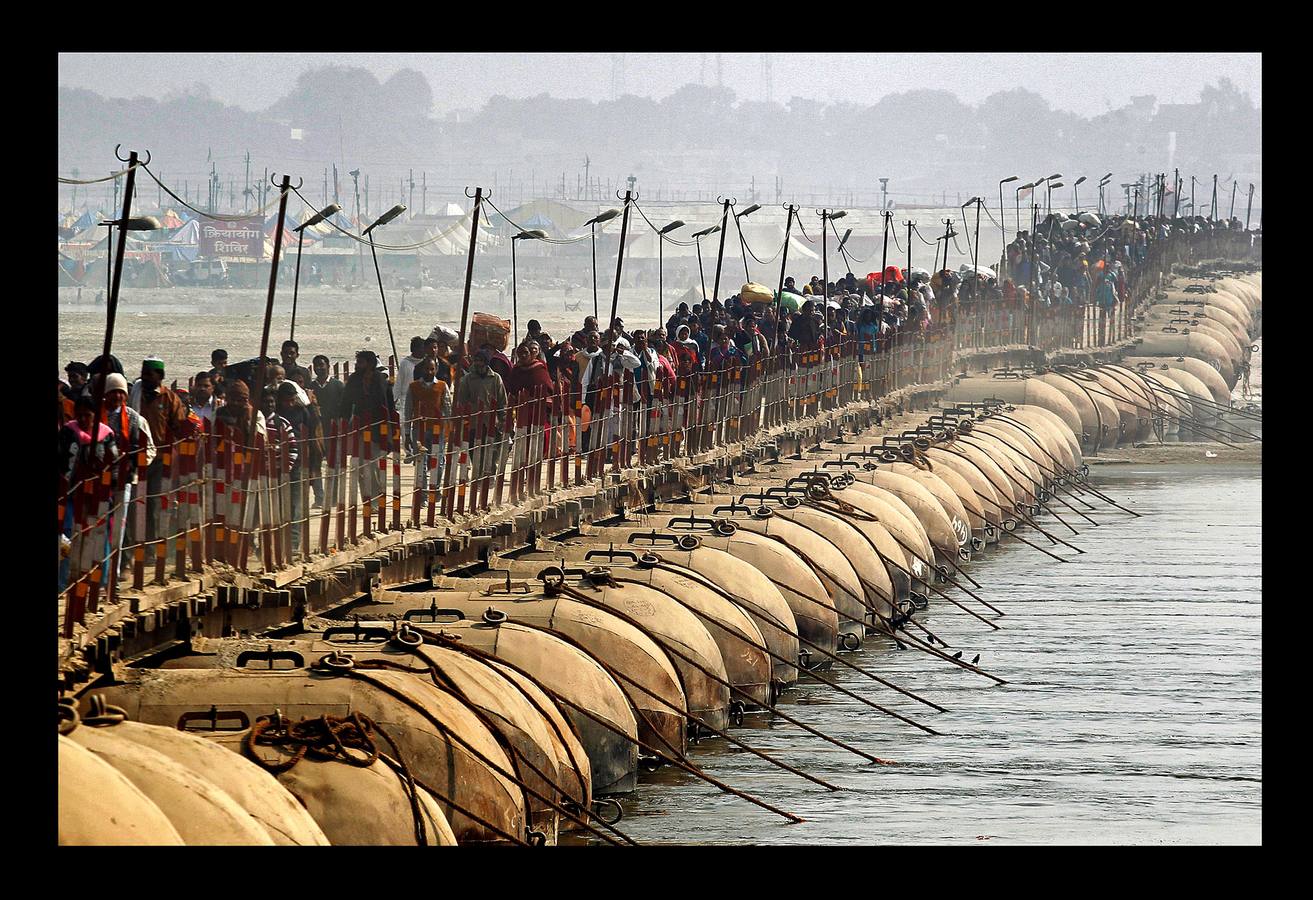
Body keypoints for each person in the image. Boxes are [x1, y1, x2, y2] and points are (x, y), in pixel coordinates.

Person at [59, 394, 121, 593]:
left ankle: (99, 583)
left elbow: (114, 463)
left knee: (98, 535)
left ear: (95, 415)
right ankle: (64, 583)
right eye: (81, 415)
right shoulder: (68, 431)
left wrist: (112, 487)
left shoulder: (106, 434)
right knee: (67, 535)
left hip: (99, 494)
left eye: (88, 415)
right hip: (70, 493)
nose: (84, 419)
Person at [130, 358, 191, 543]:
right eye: (144, 373)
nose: (145, 377)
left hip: (159, 460)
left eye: (150, 374)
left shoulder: (170, 399)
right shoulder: (135, 394)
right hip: (134, 457)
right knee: (133, 503)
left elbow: (178, 427)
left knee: (154, 503)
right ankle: (133, 544)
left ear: (160, 376)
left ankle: (150, 546)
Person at [102, 372, 155, 566]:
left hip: (123, 480)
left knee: (120, 526)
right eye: (113, 392)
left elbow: (149, 449)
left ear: (126, 395)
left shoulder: (134, 418)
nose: (117, 396)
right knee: (98, 526)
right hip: (98, 480)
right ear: (106, 394)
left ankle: (117, 571)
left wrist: (135, 464)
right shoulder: (97, 416)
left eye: (120, 392)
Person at [341, 349, 396, 523]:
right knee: (359, 465)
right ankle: (367, 499)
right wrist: (342, 425)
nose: (358, 365)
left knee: (374, 467)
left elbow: (388, 407)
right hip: (359, 428)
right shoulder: (354, 380)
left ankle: (375, 500)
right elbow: (346, 403)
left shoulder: (380, 380)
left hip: (378, 429)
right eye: (357, 362)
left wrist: (390, 435)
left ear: (370, 364)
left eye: (361, 362)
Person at [505, 342, 555, 498]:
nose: (523, 356)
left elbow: (548, 389)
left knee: (541, 442)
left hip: (538, 414)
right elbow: (511, 390)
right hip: (522, 414)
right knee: (523, 445)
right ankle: (525, 474)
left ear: (532, 354)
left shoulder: (539, 369)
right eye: (521, 353)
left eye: (526, 353)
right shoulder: (516, 371)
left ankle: (535, 474)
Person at [455, 349, 509, 483]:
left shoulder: (495, 378)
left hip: (492, 421)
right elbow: (461, 401)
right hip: (473, 422)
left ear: (486, 362)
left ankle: (490, 474)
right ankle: (479, 475)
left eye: (481, 361)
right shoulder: (467, 379)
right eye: (476, 360)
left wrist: (503, 418)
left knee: (492, 449)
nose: (478, 363)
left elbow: (503, 400)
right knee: (475, 450)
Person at [405, 356, 451, 508]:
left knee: (439, 461)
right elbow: (408, 411)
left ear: (436, 370)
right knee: (422, 462)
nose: (429, 372)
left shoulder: (442, 386)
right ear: (422, 369)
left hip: (438, 429)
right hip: (419, 429)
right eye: (427, 369)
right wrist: (406, 434)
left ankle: (435, 488)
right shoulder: (413, 387)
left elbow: (447, 408)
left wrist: (449, 428)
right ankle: (423, 494)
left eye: (432, 369)